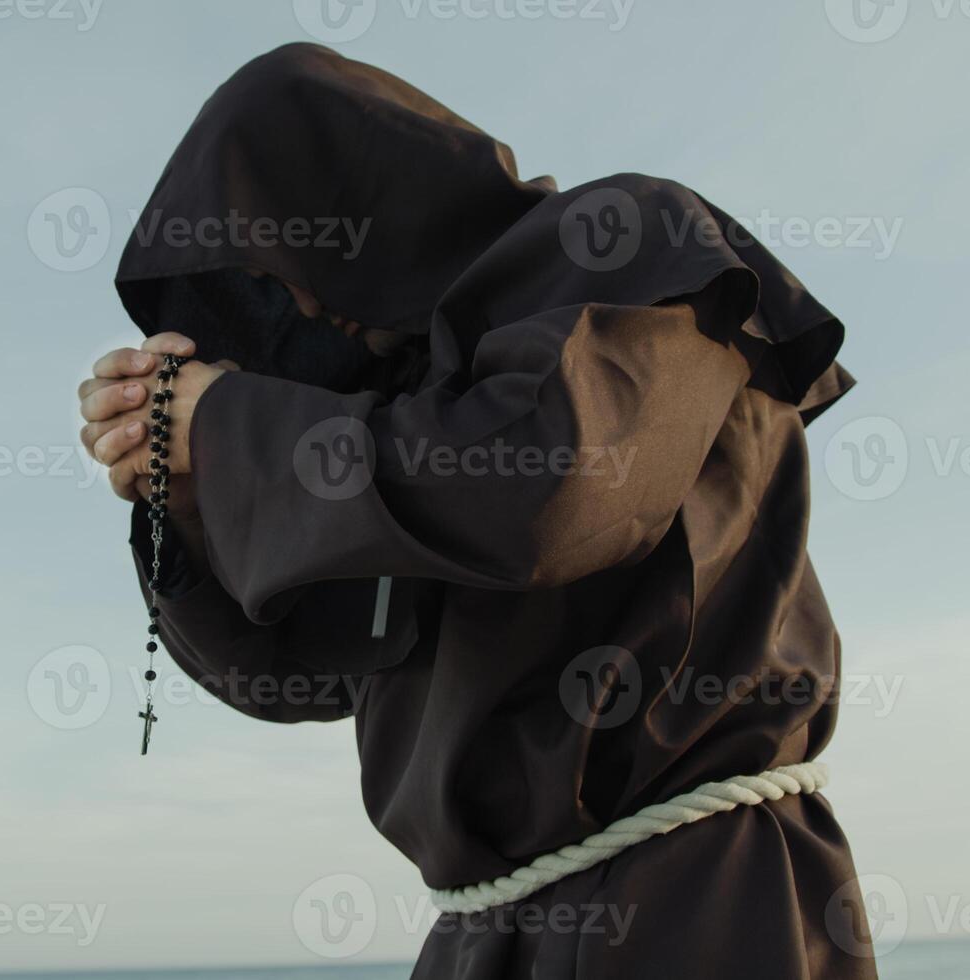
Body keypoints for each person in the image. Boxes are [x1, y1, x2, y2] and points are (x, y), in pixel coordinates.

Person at [76, 43, 874, 978]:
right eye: (253, 288)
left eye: (276, 244)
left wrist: (232, 428)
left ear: (358, 188)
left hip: (690, 896)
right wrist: (189, 502)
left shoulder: (622, 241)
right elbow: (294, 676)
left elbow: (549, 489)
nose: (285, 299)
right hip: (479, 934)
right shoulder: (388, 421)